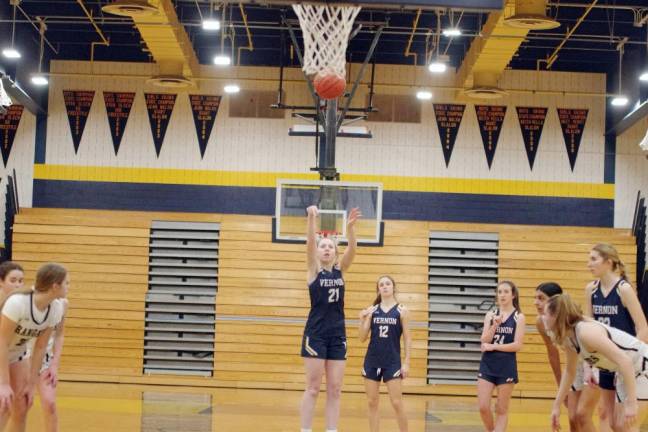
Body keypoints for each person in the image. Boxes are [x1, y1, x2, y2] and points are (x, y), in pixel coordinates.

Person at [546, 294, 645, 432]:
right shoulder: (569, 337)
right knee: (618, 425)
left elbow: (625, 361)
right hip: (625, 371)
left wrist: (632, 402)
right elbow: (570, 371)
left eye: (546, 313)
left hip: (641, 365)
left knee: (626, 425)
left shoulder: (586, 332)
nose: (543, 317)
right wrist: (556, 406)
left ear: (556, 315)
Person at [300, 206, 360, 432]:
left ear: (335, 252)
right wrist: (312, 219)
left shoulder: (340, 271)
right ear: (318, 251)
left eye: (330, 247)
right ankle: (305, 430)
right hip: (315, 335)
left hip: (337, 335)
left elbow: (352, 250)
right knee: (313, 388)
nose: (326, 249)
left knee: (335, 389)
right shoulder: (313, 270)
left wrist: (351, 229)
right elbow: (309, 245)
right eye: (322, 246)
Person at [581, 243, 648, 432]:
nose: (589, 264)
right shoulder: (591, 290)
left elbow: (643, 328)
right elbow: (588, 330)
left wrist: (628, 360)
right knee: (609, 420)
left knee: (624, 423)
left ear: (608, 262)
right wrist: (588, 366)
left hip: (626, 361)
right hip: (606, 361)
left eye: (593, 259)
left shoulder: (623, 289)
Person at [0, 263, 68, 432]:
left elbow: (40, 347)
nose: (68, 287)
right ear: (55, 286)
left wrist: (31, 385)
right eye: (67, 283)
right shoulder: (18, 303)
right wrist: (4, 383)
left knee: (23, 404)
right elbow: (2, 341)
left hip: (18, 355)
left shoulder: (56, 307)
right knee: (4, 405)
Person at [358, 275, 411, 432]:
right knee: (372, 402)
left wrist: (406, 363)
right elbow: (361, 338)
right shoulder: (373, 311)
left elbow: (408, 339)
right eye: (381, 284)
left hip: (392, 361)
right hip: (372, 360)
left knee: (396, 402)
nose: (385, 286)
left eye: (388, 283)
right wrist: (363, 319)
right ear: (378, 289)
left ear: (393, 287)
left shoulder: (402, 311)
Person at [535, 282, 584, 431]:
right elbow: (552, 353)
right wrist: (560, 387)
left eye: (541, 298)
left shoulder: (571, 319)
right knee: (572, 417)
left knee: (582, 415)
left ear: (553, 302)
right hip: (574, 366)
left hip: (590, 364)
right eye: (535, 298)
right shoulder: (541, 322)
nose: (535, 302)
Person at [477, 280, 525, 432]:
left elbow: (517, 345)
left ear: (513, 295)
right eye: (500, 292)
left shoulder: (519, 317)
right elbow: (484, 340)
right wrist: (494, 326)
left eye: (506, 292)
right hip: (488, 364)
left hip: (506, 366)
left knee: (501, 409)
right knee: (483, 407)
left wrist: (494, 346)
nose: (502, 295)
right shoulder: (490, 315)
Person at [36, 297, 68, 432]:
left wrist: (54, 364)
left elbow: (59, 334)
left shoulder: (63, 304)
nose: (67, 287)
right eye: (65, 283)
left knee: (50, 403)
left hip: (45, 361)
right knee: (14, 407)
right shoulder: (25, 302)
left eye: (68, 283)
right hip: (22, 360)